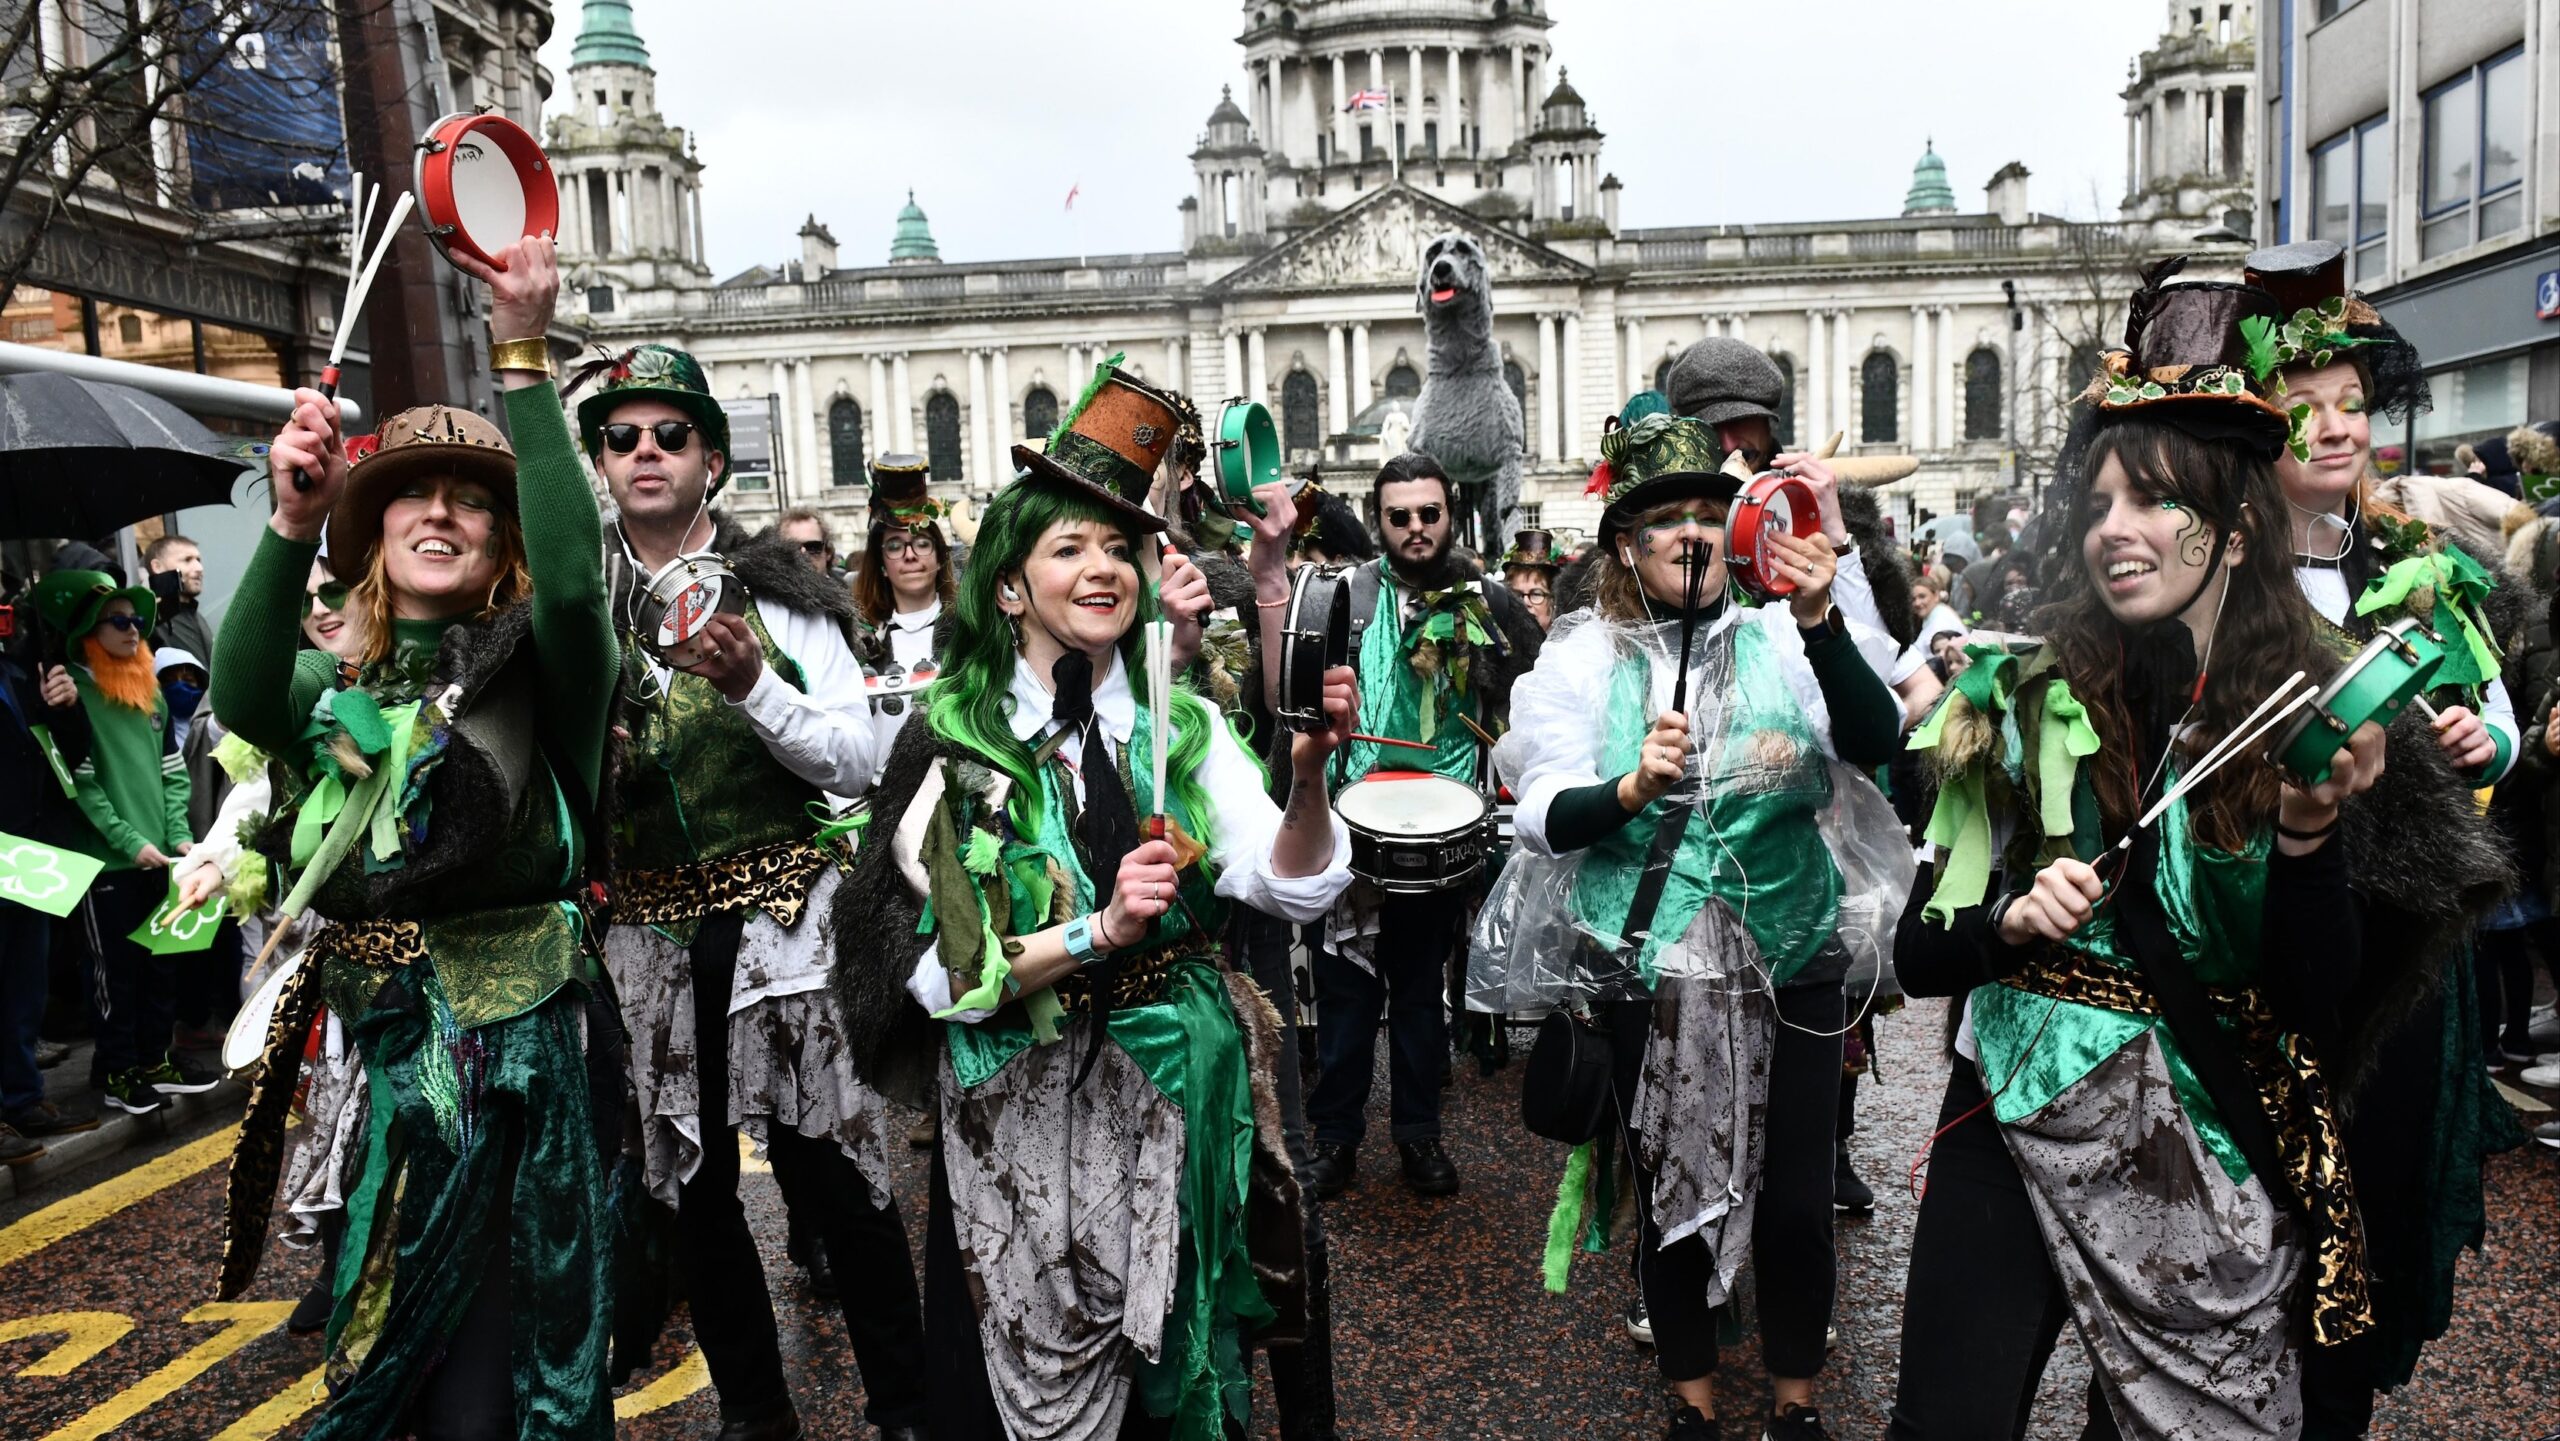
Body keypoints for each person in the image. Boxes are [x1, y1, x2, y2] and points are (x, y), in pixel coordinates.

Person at [1890, 266, 2383, 1439]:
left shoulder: (2316, 701)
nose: (2115, 526)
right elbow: (1918, 948)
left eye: (2153, 498)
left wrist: (2310, 841)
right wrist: (2007, 920)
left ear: (2234, 517)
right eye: (2099, 499)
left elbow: (2322, 1000)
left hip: (2206, 1138)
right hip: (2013, 1107)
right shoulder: (2014, 693)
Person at [830, 361, 1357, 1439]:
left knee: (1181, 1387)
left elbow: (1289, 881)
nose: (1104, 566)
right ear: (1010, 586)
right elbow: (939, 978)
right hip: (1019, 1124)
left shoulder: (1185, 725)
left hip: (1182, 1098)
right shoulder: (957, 740)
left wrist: (1307, 774)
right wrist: (1097, 929)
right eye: (1069, 546)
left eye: (1121, 545)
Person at [210, 232, 626, 1440]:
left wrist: (525, 360)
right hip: (389, 1073)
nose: (440, 512)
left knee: (512, 1376)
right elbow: (242, 694)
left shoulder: (546, 673)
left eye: (473, 507)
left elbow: (578, 591)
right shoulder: (334, 692)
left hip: (525, 1075)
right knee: (403, 1361)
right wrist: (290, 522)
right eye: (410, 498)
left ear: (503, 548)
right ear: (375, 536)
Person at [1498, 412, 1904, 1441]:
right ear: (1625, 547)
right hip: (1652, 968)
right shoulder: (1585, 660)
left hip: (1793, 952)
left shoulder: (1781, 631)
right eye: (1663, 520)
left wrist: (1818, 619)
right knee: (1677, 1183)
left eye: (1706, 515)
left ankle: (1797, 1401)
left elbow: (1875, 741)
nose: (1690, 535)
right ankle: (1690, 1400)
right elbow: (1543, 813)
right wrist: (1628, 786)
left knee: (1795, 1201)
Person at [576, 341, 928, 1441]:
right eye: (622, 436)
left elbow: (861, 759)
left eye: (669, 434)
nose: (645, 452)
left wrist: (752, 689)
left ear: (712, 460)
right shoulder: (574, 606)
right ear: (598, 459)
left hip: (782, 920)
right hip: (647, 933)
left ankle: (907, 1405)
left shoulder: (783, 588)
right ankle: (754, 1407)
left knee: (831, 1173)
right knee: (694, 1187)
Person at [2242, 238, 2529, 1439]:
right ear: (2257, 430)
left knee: (2374, 1220)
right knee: (2265, 1228)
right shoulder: (2224, 579)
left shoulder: (2418, 569)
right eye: (2303, 408)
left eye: (2352, 406)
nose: (2337, 428)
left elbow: (2502, 716)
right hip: (2273, 956)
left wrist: (2481, 739)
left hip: (2406, 964)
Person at [1302, 451, 1543, 1199]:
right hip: (1352, 819)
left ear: (1448, 515)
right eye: (1399, 515)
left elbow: (1534, 692)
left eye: (1428, 514)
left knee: (1416, 996)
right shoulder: (1347, 595)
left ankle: (1419, 1136)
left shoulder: (1489, 599)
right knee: (1343, 999)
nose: (1415, 528)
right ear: (1378, 519)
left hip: (1439, 830)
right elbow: (1289, 692)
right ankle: (1336, 1138)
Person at [35, 568, 208, 1114]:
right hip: (107, 865)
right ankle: (115, 1071)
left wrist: (177, 835)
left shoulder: (147, 690)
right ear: (89, 630)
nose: (133, 629)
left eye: (135, 620)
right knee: (115, 971)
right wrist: (130, 841)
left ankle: (153, 1059)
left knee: (161, 964)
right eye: (118, 622)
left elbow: (173, 770)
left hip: (158, 857)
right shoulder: (73, 698)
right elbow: (81, 785)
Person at [0, 634, 96, 1156]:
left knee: (23, 985)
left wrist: (66, 709)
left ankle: (23, 1102)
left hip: (26, 855)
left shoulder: (19, 670)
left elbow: (67, 755)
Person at [854, 452, 959, 774]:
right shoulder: (857, 640)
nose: (910, 556)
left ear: (940, 556)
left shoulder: (971, 630)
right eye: (895, 546)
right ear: (883, 565)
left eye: (922, 543)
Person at [146, 533, 214, 665]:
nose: (199, 568)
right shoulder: (149, 622)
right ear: (157, 567)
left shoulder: (196, 617)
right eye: (187, 560)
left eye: (198, 560)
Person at [1498, 527, 1565, 630]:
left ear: (1553, 601)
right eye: (1517, 595)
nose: (1525, 603)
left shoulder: (1566, 644)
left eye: (1536, 594)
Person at [777, 505, 844, 579]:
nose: (803, 554)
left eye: (812, 547)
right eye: (791, 547)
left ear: (828, 552)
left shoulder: (846, 589)